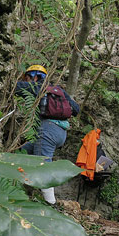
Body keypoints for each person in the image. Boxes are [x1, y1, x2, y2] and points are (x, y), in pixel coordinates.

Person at [14, 64, 80, 204]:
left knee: (42, 165)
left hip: (46, 131)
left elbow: (14, 87)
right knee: (24, 152)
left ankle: (51, 204)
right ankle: (22, 191)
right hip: (60, 133)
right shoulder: (58, 90)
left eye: (27, 77)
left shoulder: (36, 87)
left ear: (32, 76)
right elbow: (76, 109)